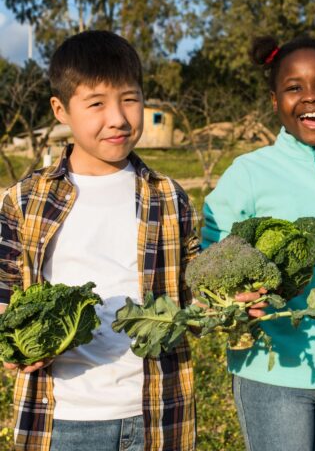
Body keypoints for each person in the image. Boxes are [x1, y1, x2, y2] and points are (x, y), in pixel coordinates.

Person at [0, 30, 200, 451]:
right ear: (60, 110)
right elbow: (4, 290)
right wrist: (13, 349)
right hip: (63, 419)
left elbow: (193, 289)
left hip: (156, 413)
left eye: (130, 99)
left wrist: (226, 301)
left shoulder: (168, 197)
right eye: (96, 104)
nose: (119, 118)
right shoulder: (26, 200)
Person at [202, 20, 315, 451]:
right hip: (271, 374)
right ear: (275, 101)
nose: (310, 96)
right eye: (294, 88)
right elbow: (210, 249)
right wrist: (229, 295)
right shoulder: (250, 173)